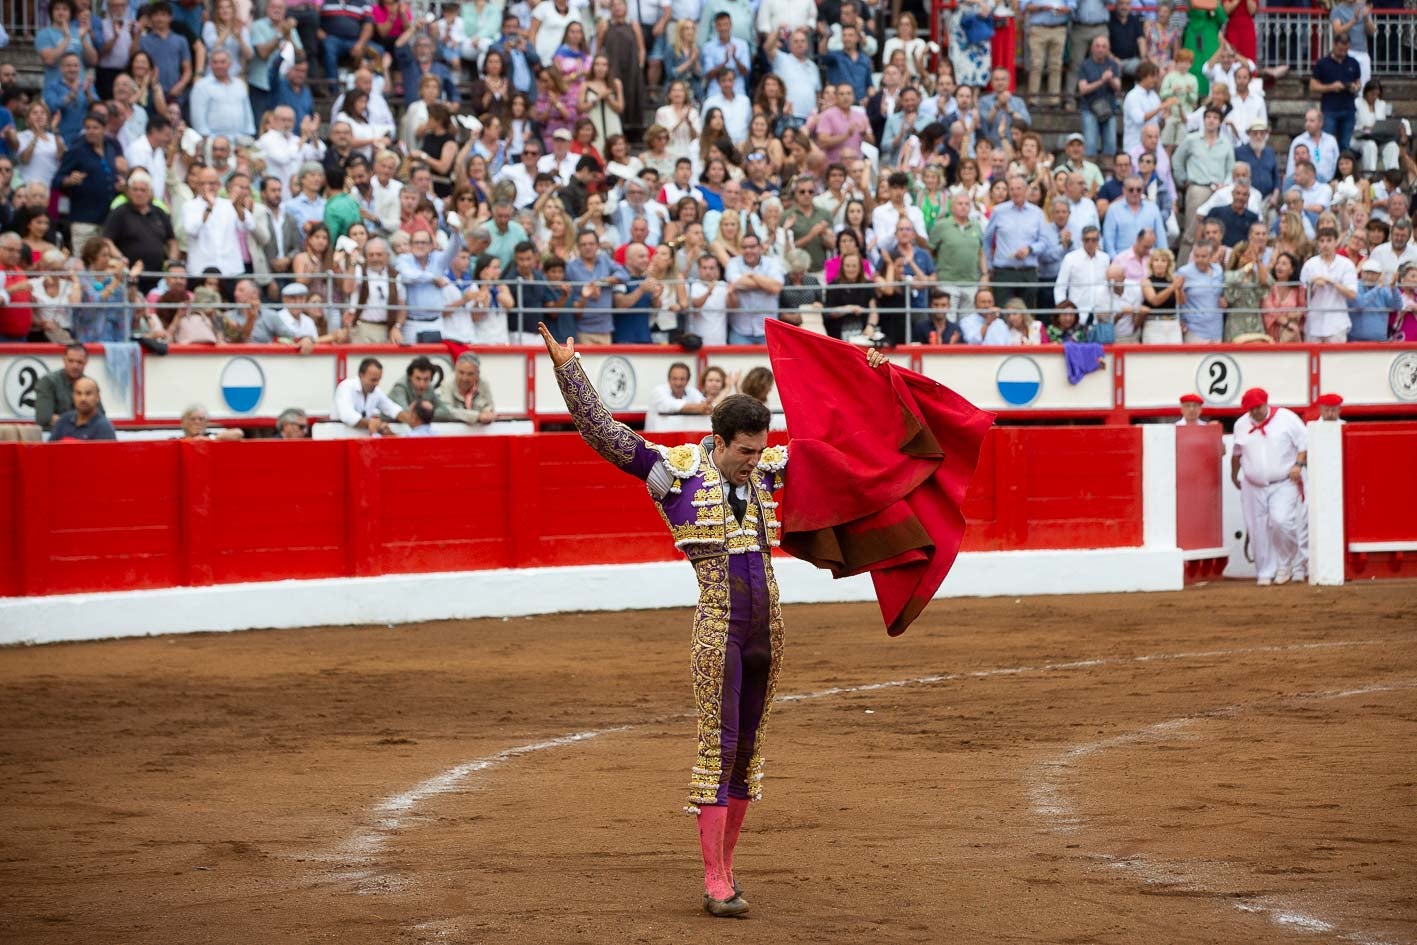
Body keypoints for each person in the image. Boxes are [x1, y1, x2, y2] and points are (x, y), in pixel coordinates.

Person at [538, 318, 889, 915]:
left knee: (750, 748)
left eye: (761, 449)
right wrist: (571, 371)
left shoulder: (770, 469)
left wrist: (870, 376)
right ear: (720, 441)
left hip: (768, 629)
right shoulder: (671, 473)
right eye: (746, 452)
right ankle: (715, 879)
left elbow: (846, 446)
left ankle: (729, 866)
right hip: (718, 628)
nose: (757, 461)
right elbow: (605, 436)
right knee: (718, 746)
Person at [1231, 387, 1306, 586]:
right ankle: (1265, 571)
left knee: (1281, 521)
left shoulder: (1287, 418)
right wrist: (1234, 474)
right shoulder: (1241, 424)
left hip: (1283, 481)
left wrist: (1298, 465)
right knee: (1257, 530)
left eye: (1257, 407)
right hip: (1252, 484)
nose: (1254, 412)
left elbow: (1303, 444)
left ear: (1266, 403)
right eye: (1250, 409)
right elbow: (1237, 453)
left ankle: (1286, 563)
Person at [1300, 226, 1358, 343]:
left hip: (1337, 324)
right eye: (1321, 241)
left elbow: (1352, 294)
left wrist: (1331, 282)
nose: (1325, 244)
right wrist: (1312, 283)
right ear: (1318, 243)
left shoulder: (1346, 264)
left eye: (1329, 240)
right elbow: (1302, 297)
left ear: (1336, 242)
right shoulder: (1309, 265)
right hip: (1313, 324)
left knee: (1336, 360)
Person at [1309, 34, 1362, 154]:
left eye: (1346, 49)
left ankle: (1344, 171)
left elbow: (1358, 83)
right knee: (1327, 143)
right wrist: (1331, 87)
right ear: (1334, 45)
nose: (1343, 52)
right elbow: (1313, 86)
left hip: (1348, 109)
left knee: (1345, 145)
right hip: (1329, 110)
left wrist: (1355, 87)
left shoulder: (1353, 63)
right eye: (1340, 49)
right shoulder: (1323, 63)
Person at [33, 344, 95, 431]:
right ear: (64, 360)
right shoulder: (48, 381)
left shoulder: (89, 384)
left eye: (79, 362)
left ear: (86, 362)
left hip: (85, 435)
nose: (75, 366)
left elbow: (99, 417)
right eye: (71, 361)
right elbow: (43, 418)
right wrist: (82, 420)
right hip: (54, 435)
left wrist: (59, 419)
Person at [333, 356, 400, 435]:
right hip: (338, 437)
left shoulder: (376, 391)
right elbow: (348, 416)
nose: (377, 384)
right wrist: (374, 424)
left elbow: (392, 408)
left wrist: (411, 420)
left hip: (358, 438)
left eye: (379, 380)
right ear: (361, 375)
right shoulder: (346, 387)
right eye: (373, 380)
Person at [48, 376, 116, 442]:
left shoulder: (104, 427)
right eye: (78, 393)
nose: (83, 398)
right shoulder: (63, 421)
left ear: (98, 397)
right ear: (73, 396)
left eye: (88, 393)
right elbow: (48, 451)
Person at [438, 351, 496, 424]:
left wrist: (488, 414)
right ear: (455, 370)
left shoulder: (483, 384)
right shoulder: (447, 384)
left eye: (470, 374)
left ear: (477, 374)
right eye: (461, 372)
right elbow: (447, 411)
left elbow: (490, 408)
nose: (464, 378)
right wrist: (476, 416)